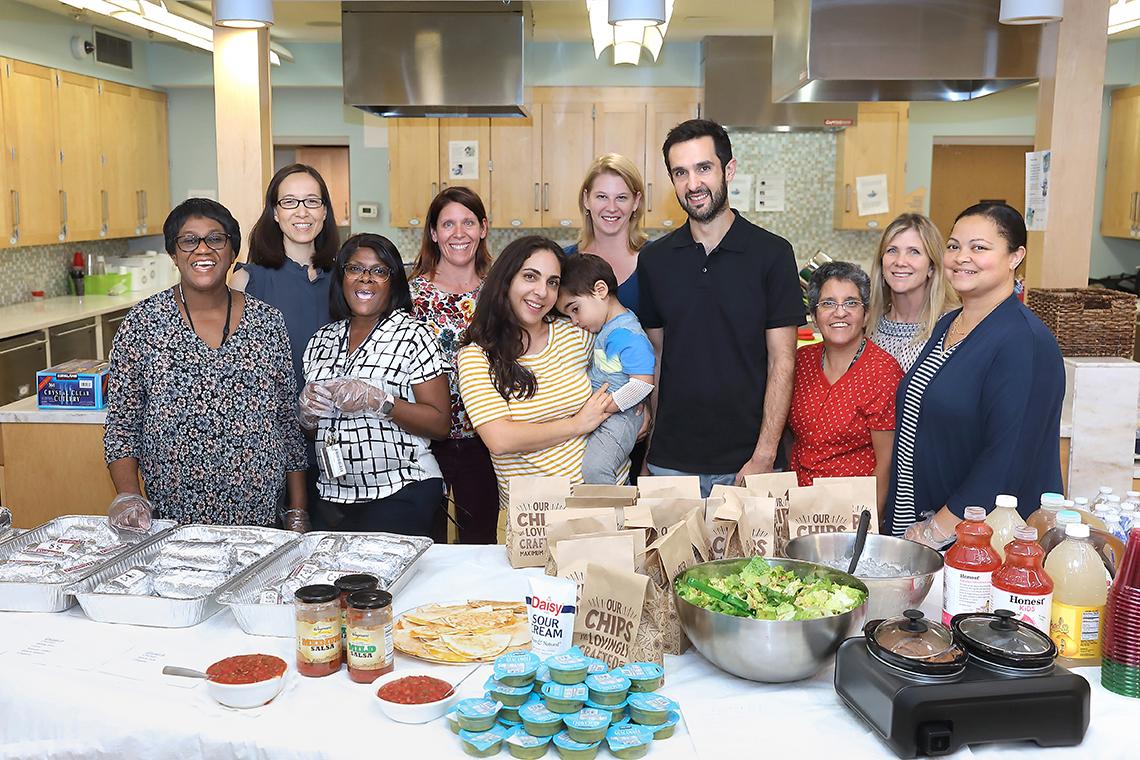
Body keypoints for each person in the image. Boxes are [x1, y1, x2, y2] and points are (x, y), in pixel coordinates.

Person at [104, 198, 307, 530]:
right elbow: (123, 426)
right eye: (188, 240)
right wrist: (128, 495)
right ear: (173, 253)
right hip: (173, 517)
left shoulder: (268, 321)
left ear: (232, 252)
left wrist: (298, 511)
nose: (203, 249)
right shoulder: (143, 322)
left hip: (259, 516)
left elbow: (287, 422)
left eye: (215, 239)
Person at [637, 118, 805, 497]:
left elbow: (783, 361)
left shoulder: (773, 254)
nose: (693, 184)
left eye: (703, 168)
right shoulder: (655, 260)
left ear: (728, 169)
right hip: (671, 463)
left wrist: (764, 455)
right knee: (668, 560)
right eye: (680, 172)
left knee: (751, 561)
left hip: (748, 463)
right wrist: (651, 450)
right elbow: (657, 358)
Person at [886, 202, 1064, 545]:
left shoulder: (1024, 341)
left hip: (977, 541)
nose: (961, 257)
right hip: (919, 523)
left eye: (979, 248)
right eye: (954, 246)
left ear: (1015, 257)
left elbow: (1006, 458)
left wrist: (937, 529)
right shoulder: (948, 324)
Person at [298, 233, 451, 536]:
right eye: (355, 269)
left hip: (402, 491)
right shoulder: (321, 341)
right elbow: (313, 431)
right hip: (333, 497)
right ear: (341, 277)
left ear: (393, 281)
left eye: (379, 271)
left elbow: (440, 423)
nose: (365, 279)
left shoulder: (413, 336)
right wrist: (308, 415)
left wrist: (382, 401)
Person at [456, 236, 613, 512]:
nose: (542, 291)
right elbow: (500, 439)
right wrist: (577, 424)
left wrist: (640, 408)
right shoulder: (477, 356)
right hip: (534, 515)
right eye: (530, 276)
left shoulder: (575, 331)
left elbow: (624, 356)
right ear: (506, 281)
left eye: (552, 282)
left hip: (602, 500)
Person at [230, 163, 340, 529]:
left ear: (325, 211)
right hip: (272, 445)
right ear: (274, 213)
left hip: (337, 443)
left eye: (312, 201)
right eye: (290, 202)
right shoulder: (248, 280)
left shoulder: (345, 279)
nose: (302, 212)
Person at [408, 187, 500, 544]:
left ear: (483, 228)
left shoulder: (499, 293)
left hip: (484, 439)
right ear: (434, 233)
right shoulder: (410, 296)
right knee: (426, 544)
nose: (459, 233)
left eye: (468, 223)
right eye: (448, 224)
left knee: (480, 541)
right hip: (424, 440)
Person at [788, 262, 903, 513]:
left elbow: (887, 462)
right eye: (828, 303)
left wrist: (867, 526)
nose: (840, 312)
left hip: (850, 511)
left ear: (866, 314)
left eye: (851, 303)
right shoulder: (801, 361)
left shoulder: (883, 371)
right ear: (815, 316)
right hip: (797, 505)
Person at [556, 254, 654, 485]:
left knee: (596, 469)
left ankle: (615, 518)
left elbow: (642, 384)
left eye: (575, 309)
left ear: (600, 290)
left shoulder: (627, 333)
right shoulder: (609, 328)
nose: (573, 321)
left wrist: (603, 408)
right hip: (610, 415)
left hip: (620, 418)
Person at [867, 213, 956, 371]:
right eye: (892, 250)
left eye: (914, 252)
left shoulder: (952, 329)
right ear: (881, 264)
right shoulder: (867, 326)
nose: (900, 262)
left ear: (932, 267)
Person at [565, 153, 649, 314]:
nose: (611, 207)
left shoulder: (657, 261)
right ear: (586, 199)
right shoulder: (564, 262)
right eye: (602, 196)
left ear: (636, 202)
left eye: (622, 198)